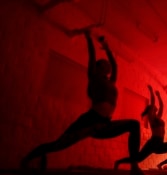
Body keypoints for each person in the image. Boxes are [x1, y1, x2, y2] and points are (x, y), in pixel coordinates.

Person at [20, 29, 143, 175]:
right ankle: (28, 158)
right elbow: (92, 56)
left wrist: (107, 48)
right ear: (98, 68)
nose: (107, 65)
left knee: (134, 124)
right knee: (58, 144)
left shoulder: (111, 81)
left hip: (105, 124)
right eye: (103, 64)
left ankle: (134, 166)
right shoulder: (94, 77)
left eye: (106, 64)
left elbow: (115, 66)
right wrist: (88, 37)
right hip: (90, 121)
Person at [114, 85, 167, 172]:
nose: (155, 107)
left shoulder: (158, 118)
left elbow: (162, 106)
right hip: (153, 143)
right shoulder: (152, 118)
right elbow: (153, 102)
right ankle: (119, 162)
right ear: (151, 109)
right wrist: (151, 91)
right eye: (153, 107)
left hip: (160, 143)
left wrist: (159, 96)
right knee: (138, 158)